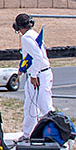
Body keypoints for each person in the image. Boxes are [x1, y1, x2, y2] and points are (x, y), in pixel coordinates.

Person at [13, 13, 54, 141]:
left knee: (44, 106)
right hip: (38, 73)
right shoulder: (33, 35)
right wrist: (23, 68)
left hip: (39, 74)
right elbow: (29, 57)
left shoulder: (26, 38)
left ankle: (52, 134)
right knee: (30, 106)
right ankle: (28, 134)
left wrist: (34, 75)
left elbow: (38, 57)